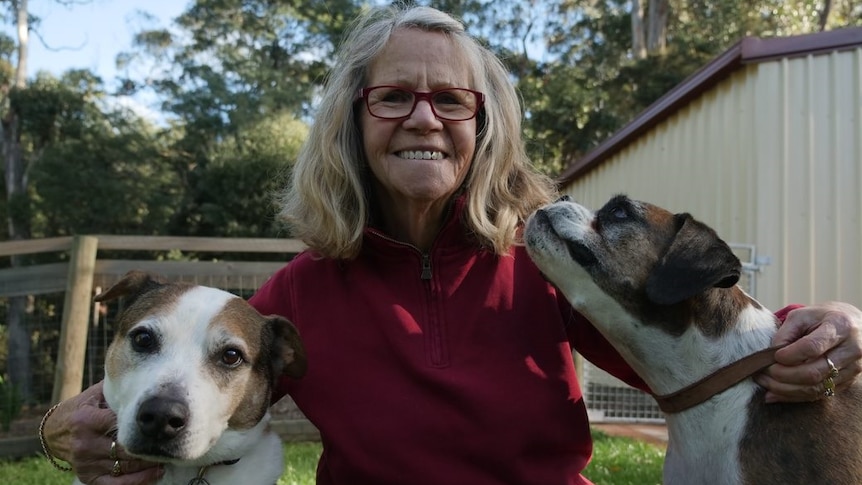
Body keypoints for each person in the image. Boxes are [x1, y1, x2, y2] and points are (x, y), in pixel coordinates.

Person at [40, 5, 862, 485]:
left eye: (450, 100)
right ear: (354, 123)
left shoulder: (549, 269)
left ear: (484, 124)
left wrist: (827, 324)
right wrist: (58, 429)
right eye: (393, 96)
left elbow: (701, 338)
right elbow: (197, 399)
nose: (424, 117)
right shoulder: (291, 301)